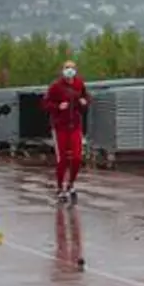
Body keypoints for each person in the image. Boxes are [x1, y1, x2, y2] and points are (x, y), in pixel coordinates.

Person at [41, 60, 90, 203]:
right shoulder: (56, 86)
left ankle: (71, 184)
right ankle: (60, 187)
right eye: (67, 68)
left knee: (77, 158)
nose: (70, 70)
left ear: (76, 70)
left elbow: (86, 97)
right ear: (62, 70)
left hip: (75, 125)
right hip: (60, 127)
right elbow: (45, 103)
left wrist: (85, 102)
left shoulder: (79, 84)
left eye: (72, 68)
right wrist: (58, 107)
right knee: (62, 159)